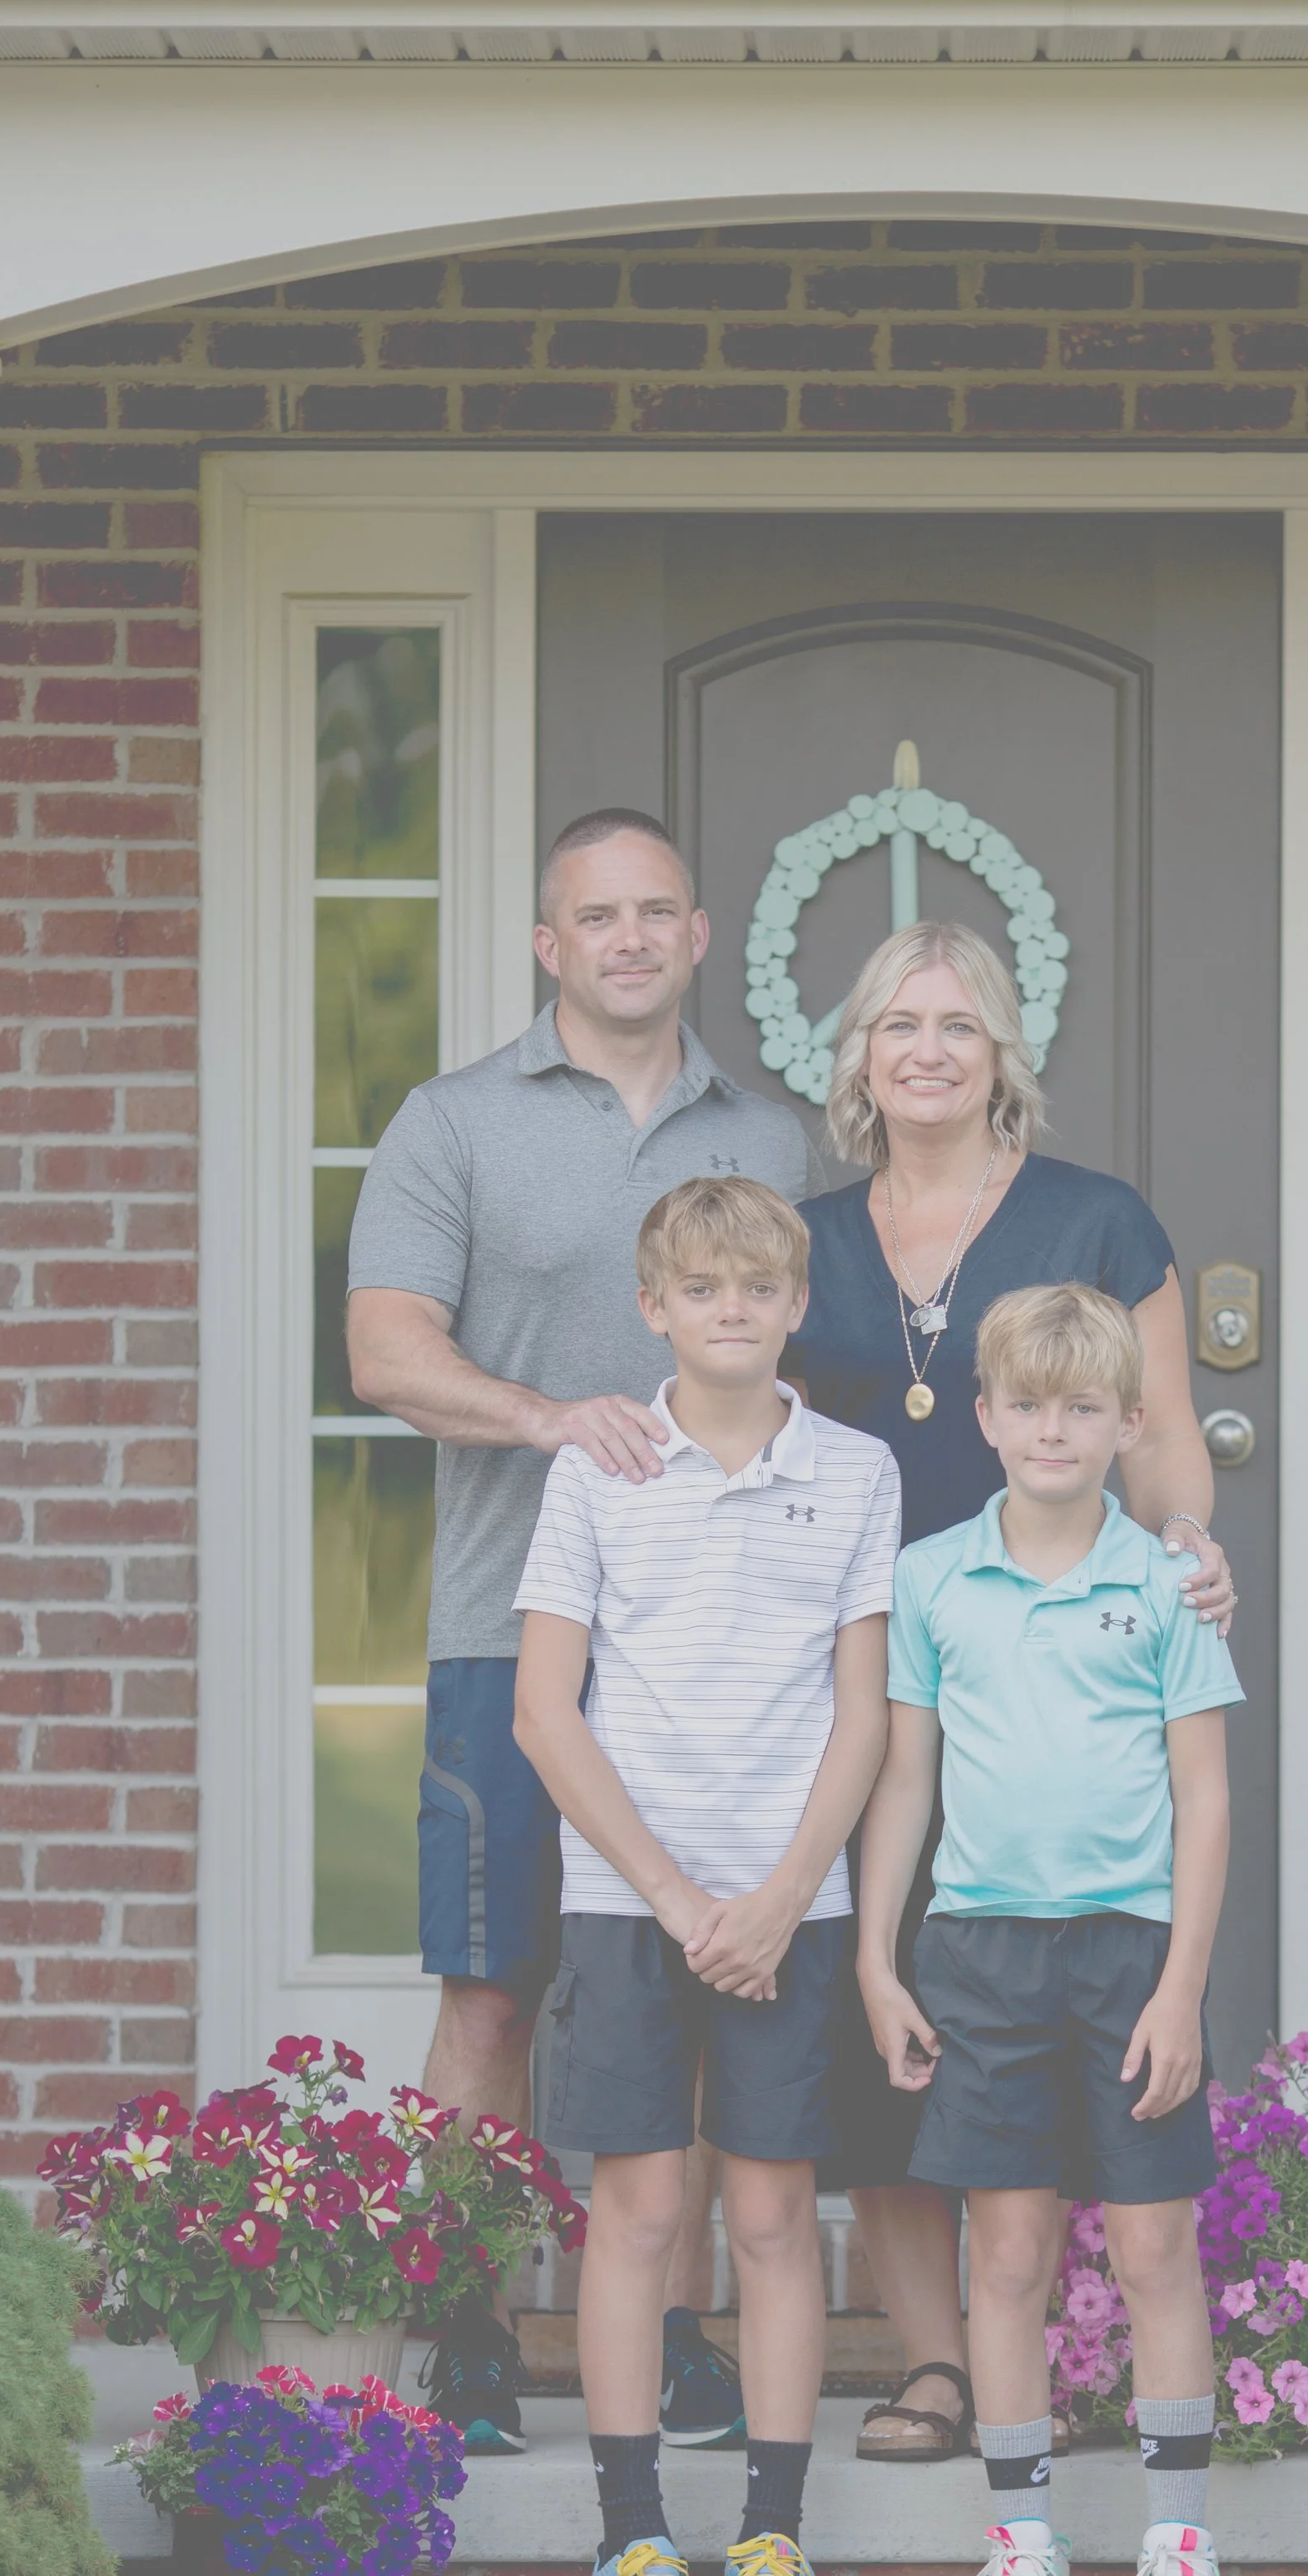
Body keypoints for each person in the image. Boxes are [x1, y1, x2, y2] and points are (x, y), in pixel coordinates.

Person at [347, 808, 811, 2457]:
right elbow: (385, 1353)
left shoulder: (773, 1132)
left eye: (653, 912)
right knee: (491, 1986)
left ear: (698, 936)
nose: (625, 938)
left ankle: (671, 2332)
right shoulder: (452, 1122)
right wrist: (550, 1419)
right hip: (509, 1626)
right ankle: (462, 2321)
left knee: (684, 1980)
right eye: (592, 916)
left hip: (725, 1649)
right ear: (549, 945)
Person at [785, 921, 1236, 2462]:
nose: (926, 1049)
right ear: (857, 1055)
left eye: (958, 1024)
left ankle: (1061, 2386)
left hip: (1055, 1655)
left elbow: (1166, 1426)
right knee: (891, 2023)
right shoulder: (810, 1236)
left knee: (1035, 2010)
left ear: (1002, 1055)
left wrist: (1184, 1550)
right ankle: (940, 2367)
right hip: (865, 1666)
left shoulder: (1096, 1218)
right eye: (897, 1023)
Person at [513, 1177, 899, 2576]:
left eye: (760, 1288)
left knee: (774, 2216)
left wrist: (790, 1889)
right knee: (643, 2210)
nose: (733, 1309)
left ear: (799, 1305)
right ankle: (630, 2551)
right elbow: (549, 1710)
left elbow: (864, 1711)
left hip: (789, 1904)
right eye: (703, 1288)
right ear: (652, 1304)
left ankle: (773, 2542)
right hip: (632, 1902)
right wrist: (677, 1899)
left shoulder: (856, 1471)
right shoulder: (602, 1467)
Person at [858, 1281, 1246, 2576]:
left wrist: (1183, 1988)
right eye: (1027, 1404)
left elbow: (1204, 1799)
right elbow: (905, 1780)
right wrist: (875, 1959)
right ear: (986, 1417)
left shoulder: (1167, 1583)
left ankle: (1177, 2560)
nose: (1054, 1428)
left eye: (1085, 1406)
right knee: (1009, 2254)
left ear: (1129, 1421)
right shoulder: (933, 1578)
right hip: (979, 1952)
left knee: (1152, 2246)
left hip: (1130, 1953)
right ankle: (1024, 2559)